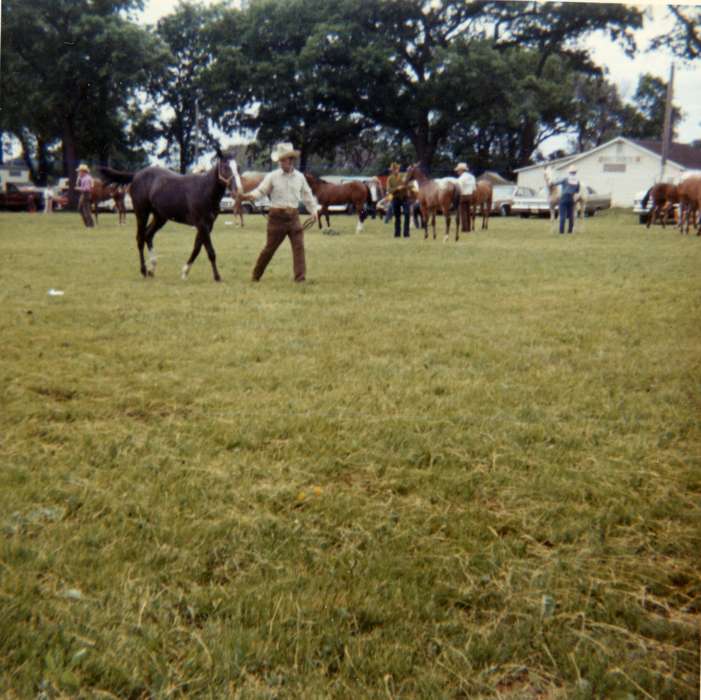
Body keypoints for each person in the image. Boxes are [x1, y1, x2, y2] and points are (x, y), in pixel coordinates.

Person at [241, 142, 320, 282]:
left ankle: (300, 279)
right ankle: (255, 276)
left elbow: (307, 195)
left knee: (299, 247)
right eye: (279, 160)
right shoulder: (272, 176)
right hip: (276, 218)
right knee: (269, 249)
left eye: (283, 160)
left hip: (294, 217)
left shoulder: (300, 177)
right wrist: (249, 196)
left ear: (291, 160)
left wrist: (314, 211)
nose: (280, 163)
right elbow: (261, 190)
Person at [386, 162, 410, 238]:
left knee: (407, 214)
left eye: (395, 169)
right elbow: (389, 190)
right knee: (397, 216)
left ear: (398, 169)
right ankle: (397, 234)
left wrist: (405, 185)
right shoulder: (390, 178)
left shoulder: (403, 176)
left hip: (405, 197)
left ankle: (406, 234)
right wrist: (397, 188)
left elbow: (409, 184)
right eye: (393, 170)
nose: (394, 171)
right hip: (395, 198)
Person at [555, 166, 580, 234]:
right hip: (571, 198)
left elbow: (555, 183)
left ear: (569, 172)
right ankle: (570, 231)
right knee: (571, 215)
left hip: (564, 197)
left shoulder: (565, 179)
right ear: (575, 172)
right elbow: (577, 191)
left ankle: (561, 231)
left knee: (562, 215)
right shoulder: (577, 181)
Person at [455, 162, 476, 232]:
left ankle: (465, 228)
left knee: (463, 212)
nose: (457, 172)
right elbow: (474, 188)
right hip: (470, 195)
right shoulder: (472, 177)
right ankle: (469, 228)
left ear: (461, 170)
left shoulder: (461, 178)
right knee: (468, 211)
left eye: (458, 171)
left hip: (463, 195)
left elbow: (459, 187)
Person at [76, 163, 94, 228]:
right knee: (81, 209)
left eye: (79, 171)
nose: (78, 173)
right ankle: (88, 224)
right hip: (84, 194)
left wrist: (78, 188)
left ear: (83, 171)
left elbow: (87, 188)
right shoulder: (85, 178)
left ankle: (89, 225)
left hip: (85, 194)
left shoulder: (86, 179)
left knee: (85, 210)